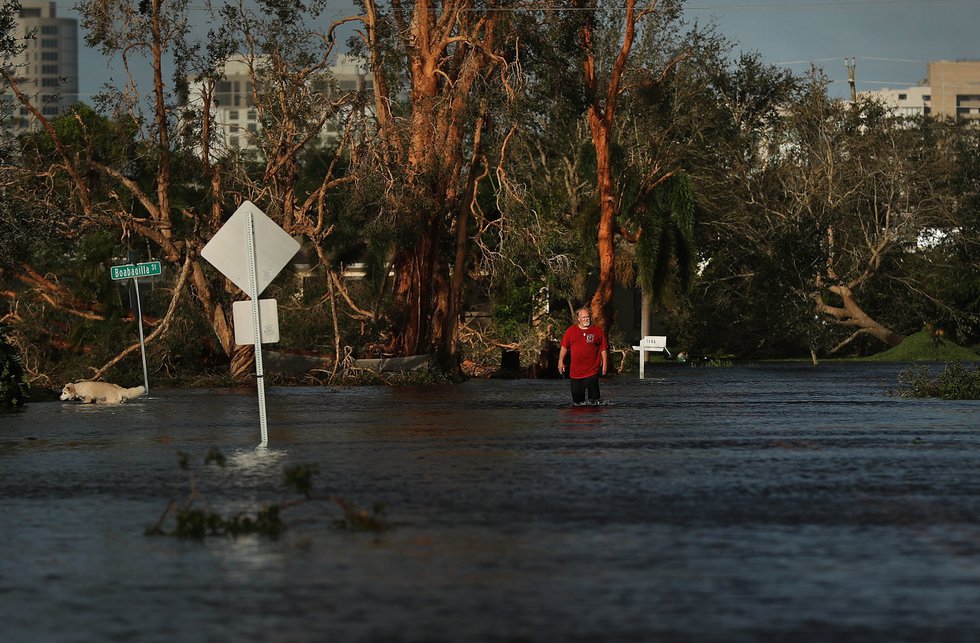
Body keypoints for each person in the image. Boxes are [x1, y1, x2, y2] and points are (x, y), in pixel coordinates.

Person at [557, 307, 610, 405]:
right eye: (584, 317)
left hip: (592, 371)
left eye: (588, 317)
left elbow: (603, 349)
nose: (587, 319)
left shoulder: (597, 331)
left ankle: (592, 419)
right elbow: (564, 347)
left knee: (594, 402)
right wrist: (560, 361)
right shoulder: (571, 331)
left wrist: (605, 365)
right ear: (579, 319)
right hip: (575, 373)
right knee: (577, 403)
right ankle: (580, 419)